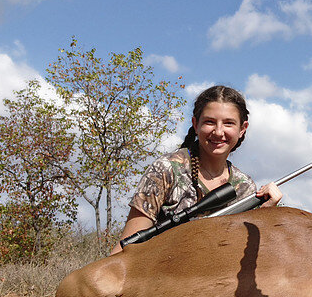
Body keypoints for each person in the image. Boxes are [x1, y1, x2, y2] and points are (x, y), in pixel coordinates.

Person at [111, 85, 282, 254]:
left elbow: (243, 253)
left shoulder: (244, 187)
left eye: (229, 123)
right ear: (195, 124)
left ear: (242, 129)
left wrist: (265, 215)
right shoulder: (166, 169)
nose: (218, 131)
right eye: (210, 122)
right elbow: (127, 248)